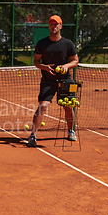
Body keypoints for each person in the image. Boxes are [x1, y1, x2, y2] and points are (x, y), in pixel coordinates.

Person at [27, 15, 79, 147]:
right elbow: (36, 62)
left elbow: (75, 61)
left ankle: (71, 131)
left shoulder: (68, 44)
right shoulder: (42, 44)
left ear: (60, 26)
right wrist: (45, 67)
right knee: (43, 106)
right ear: (48, 26)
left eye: (56, 24)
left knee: (68, 106)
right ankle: (33, 135)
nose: (53, 26)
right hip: (48, 81)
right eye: (51, 24)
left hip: (66, 81)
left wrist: (66, 66)